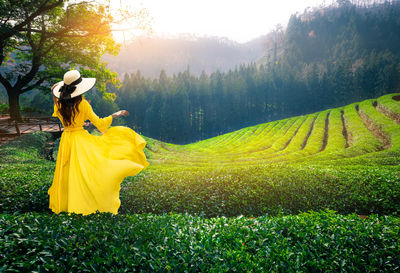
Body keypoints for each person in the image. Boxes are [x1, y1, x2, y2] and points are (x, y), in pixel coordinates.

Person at [47, 69, 149, 216]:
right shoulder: (83, 104)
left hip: (66, 140)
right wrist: (115, 114)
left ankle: (67, 204)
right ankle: (84, 203)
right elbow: (100, 124)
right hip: (80, 140)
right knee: (84, 172)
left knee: (68, 172)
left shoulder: (60, 104)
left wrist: (54, 92)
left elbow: (55, 100)